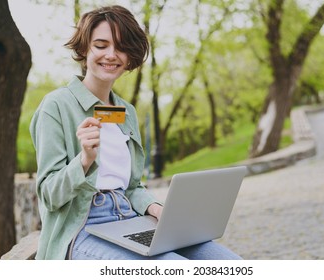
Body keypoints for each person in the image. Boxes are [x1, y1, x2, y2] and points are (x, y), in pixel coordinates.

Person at [30, 5, 242, 260]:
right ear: (84, 48)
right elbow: (49, 196)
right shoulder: (56, 106)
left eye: (121, 47)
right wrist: (84, 160)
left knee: (229, 264)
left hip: (131, 219)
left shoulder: (126, 112)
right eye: (101, 45)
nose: (111, 55)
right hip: (82, 230)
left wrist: (155, 207)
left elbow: (131, 186)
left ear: (130, 57)